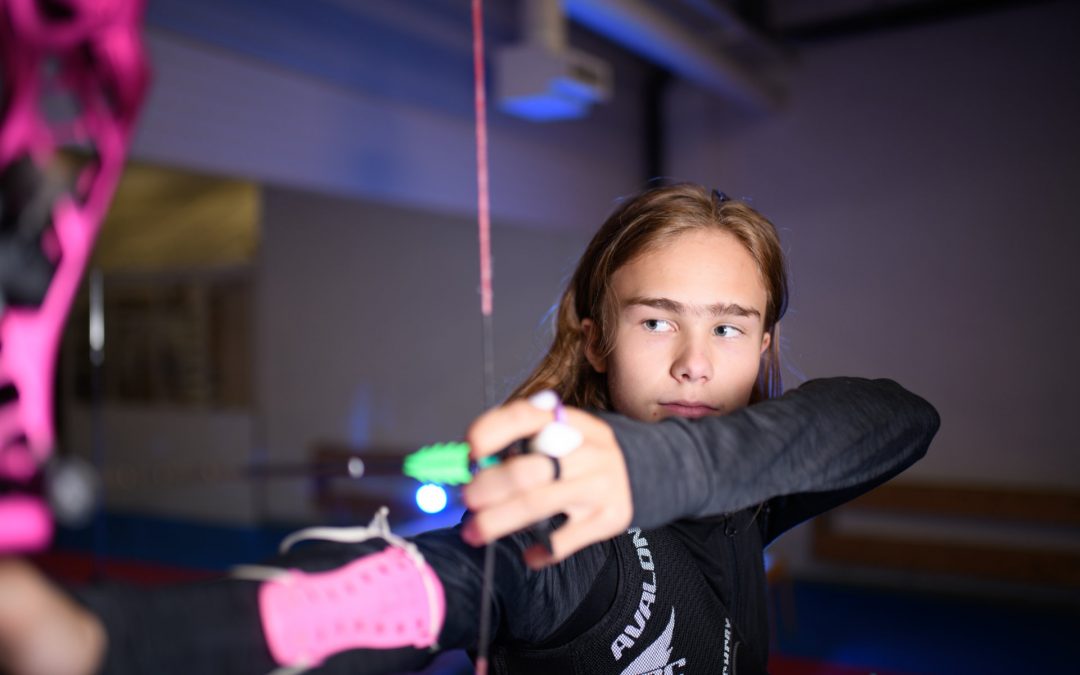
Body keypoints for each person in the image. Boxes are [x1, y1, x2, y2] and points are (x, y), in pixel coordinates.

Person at [0, 183, 939, 675]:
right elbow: (417, 592)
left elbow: (899, 416)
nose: (697, 360)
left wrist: (673, 468)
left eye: (729, 326)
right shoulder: (564, 527)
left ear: (765, 341)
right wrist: (103, 645)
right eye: (657, 319)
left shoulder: (743, 479)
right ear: (597, 337)